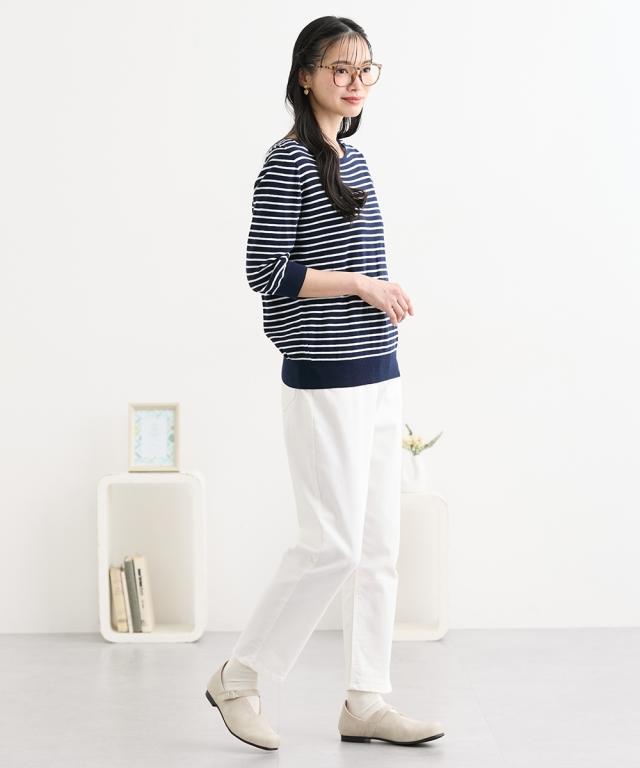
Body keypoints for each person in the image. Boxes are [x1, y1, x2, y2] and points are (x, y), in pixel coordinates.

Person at [205, 15, 445, 751]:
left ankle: (366, 699)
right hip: (323, 377)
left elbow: (354, 258)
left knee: (378, 545)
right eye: (339, 68)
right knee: (332, 544)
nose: (354, 81)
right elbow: (266, 272)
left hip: (378, 370)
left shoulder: (355, 159)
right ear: (305, 75)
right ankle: (238, 678)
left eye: (365, 68)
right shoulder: (288, 162)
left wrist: (377, 291)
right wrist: (362, 285)